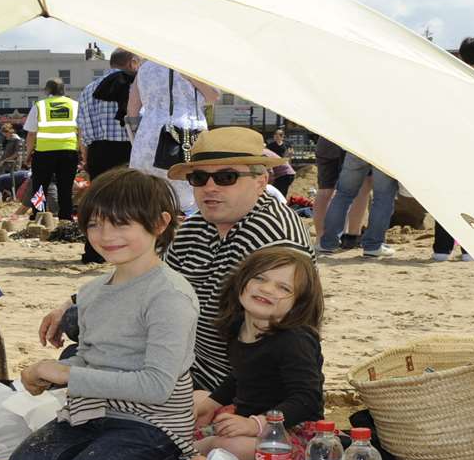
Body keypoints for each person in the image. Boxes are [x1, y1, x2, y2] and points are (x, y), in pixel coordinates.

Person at [38, 128, 309, 409]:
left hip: (231, 377)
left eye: (226, 177)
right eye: (199, 178)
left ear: (260, 181)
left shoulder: (274, 237)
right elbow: (145, 275)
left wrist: (222, 399)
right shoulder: (198, 225)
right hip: (186, 354)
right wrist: (71, 301)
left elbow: (285, 337)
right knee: (76, 321)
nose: (210, 187)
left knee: (81, 355)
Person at [7, 168, 204, 460]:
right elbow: (91, 358)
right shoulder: (94, 291)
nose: (106, 235)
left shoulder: (169, 295)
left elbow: (157, 385)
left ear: (159, 224)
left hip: (151, 424)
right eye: (95, 224)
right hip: (93, 412)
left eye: (121, 223)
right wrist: (49, 372)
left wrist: (65, 375)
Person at [202, 246, 326, 460]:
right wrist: (212, 402)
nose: (267, 289)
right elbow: (241, 375)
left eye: (283, 287)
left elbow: (307, 400)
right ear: (241, 281)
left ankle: (197, 449)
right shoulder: (239, 326)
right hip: (246, 416)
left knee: (231, 446)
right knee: (197, 398)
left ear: (299, 302)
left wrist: (256, 424)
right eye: (259, 278)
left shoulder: (294, 340)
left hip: (290, 427)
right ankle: (198, 446)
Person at [434, 38, 474, 260]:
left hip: (449, 147)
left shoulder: (445, 80)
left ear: (459, 55)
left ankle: (441, 249)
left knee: (445, 199)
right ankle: (470, 249)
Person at [126, 61, 211, 213]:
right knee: (188, 191)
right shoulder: (193, 64)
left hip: (147, 135)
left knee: (147, 193)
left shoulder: (144, 68)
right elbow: (212, 96)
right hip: (185, 133)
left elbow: (132, 109)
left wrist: (139, 134)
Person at [78, 50, 139, 262]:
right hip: (128, 147)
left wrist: (86, 158)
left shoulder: (88, 89)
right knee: (129, 201)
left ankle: (94, 252)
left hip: (98, 150)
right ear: (132, 63)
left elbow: (83, 129)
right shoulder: (135, 85)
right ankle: (127, 249)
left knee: (98, 202)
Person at [316, 146, 398, 258]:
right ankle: (373, 246)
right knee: (383, 198)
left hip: (358, 146)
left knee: (343, 194)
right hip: (384, 149)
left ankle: (327, 244)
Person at [23, 78, 81, 220]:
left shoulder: (40, 106)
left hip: (44, 153)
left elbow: (31, 133)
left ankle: (39, 215)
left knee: (39, 187)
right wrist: (80, 151)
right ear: (64, 90)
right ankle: (66, 217)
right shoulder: (75, 105)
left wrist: (28, 153)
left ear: (47, 90)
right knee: (65, 187)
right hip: (69, 151)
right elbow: (81, 131)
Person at [265, 128, 296, 195]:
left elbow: (289, 157)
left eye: (279, 135)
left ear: (282, 136)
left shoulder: (287, 145)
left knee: (281, 191)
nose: (277, 136)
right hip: (275, 168)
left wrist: (288, 165)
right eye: (275, 135)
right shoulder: (270, 146)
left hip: (283, 169)